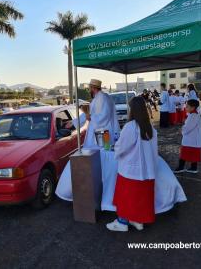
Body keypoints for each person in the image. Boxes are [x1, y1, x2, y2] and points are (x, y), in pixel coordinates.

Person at [106, 96, 157, 232]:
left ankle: (122, 222)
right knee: (140, 198)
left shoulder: (131, 126)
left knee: (126, 197)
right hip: (147, 170)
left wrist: (114, 149)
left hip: (131, 169)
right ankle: (137, 220)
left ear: (133, 110)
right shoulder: (150, 126)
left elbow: (122, 146)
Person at [67, 79, 119, 148]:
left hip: (103, 132)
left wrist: (91, 117)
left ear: (93, 88)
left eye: (90, 88)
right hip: (101, 131)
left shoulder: (102, 98)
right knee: (103, 151)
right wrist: (73, 122)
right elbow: (88, 113)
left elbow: (104, 116)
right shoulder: (99, 98)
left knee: (103, 151)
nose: (89, 90)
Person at [174, 99, 201, 174]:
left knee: (184, 154)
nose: (185, 108)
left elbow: (188, 128)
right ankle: (193, 168)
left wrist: (182, 130)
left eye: (187, 106)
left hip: (191, 140)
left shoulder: (193, 116)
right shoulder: (194, 115)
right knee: (193, 155)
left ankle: (181, 167)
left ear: (193, 108)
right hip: (193, 140)